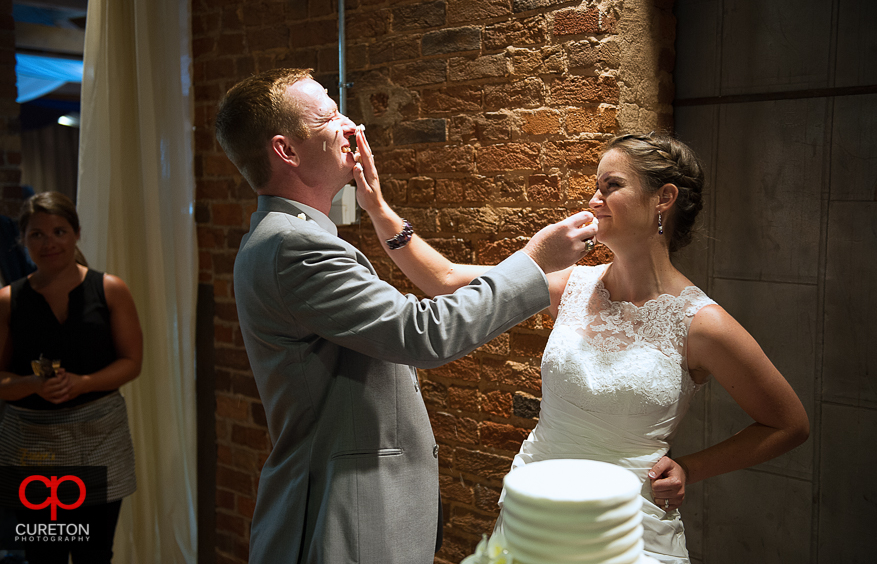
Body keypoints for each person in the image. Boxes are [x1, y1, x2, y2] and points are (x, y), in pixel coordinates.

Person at [356, 132, 810, 563]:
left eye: (611, 186)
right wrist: (378, 209)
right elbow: (448, 280)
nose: (594, 200)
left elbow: (787, 424)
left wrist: (690, 468)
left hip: (628, 529)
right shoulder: (570, 287)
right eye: (595, 187)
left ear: (663, 199)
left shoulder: (701, 323)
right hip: (533, 514)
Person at [213, 68, 597, 564]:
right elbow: (422, 333)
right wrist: (535, 259)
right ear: (286, 151)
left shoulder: (289, 234)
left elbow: (440, 283)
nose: (351, 125)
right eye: (330, 116)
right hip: (343, 513)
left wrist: (378, 207)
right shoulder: (295, 246)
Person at [0, 191, 142, 563]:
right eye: (37, 235)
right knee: (42, 554)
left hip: (97, 439)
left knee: (93, 554)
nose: (49, 243)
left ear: (77, 233)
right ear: (24, 240)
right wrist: (31, 385)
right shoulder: (7, 300)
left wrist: (84, 383)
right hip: (32, 446)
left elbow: (132, 362)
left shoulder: (110, 289)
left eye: (59, 232)